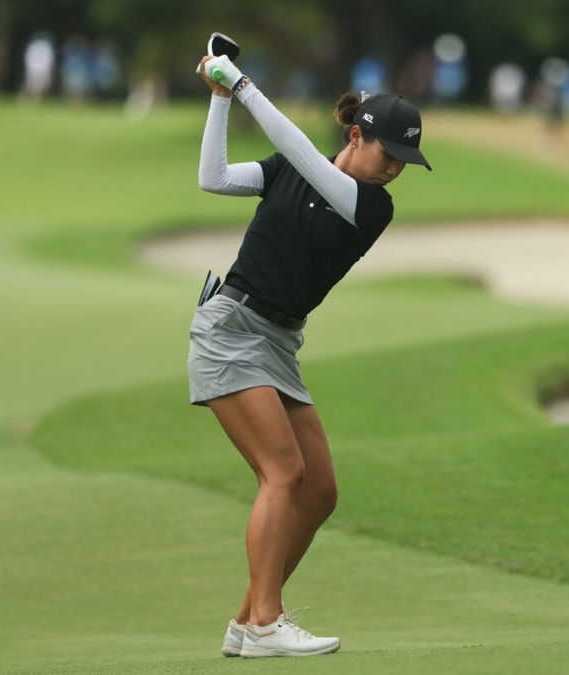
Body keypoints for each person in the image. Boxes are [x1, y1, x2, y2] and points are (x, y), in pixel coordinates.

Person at [190, 53, 431, 659]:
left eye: (405, 163)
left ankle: (247, 620)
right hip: (231, 329)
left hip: (278, 343)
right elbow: (214, 178)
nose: (396, 170)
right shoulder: (291, 170)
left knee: (319, 491)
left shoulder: (371, 205)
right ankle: (266, 624)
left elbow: (301, 152)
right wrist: (224, 98)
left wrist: (240, 84)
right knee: (284, 473)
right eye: (389, 156)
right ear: (356, 135)